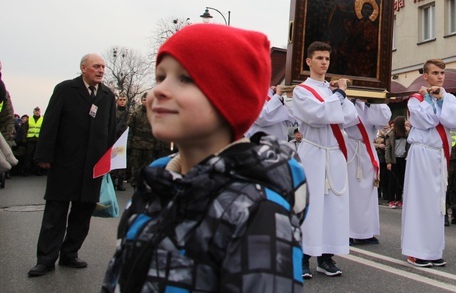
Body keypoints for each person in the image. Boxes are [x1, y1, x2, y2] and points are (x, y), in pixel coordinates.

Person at [102, 24, 307, 292]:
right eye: (160, 77)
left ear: (230, 98)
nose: (160, 91)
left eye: (185, 79)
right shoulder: (157, 181)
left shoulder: (260, 212)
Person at [28, 54, 117, 277]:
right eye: (96, 66)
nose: (101, 70)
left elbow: (111, 129)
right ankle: (46, 259)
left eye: (103, 67)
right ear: (83, 68)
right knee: (55, 213)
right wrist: (44, 155)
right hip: (65, 162)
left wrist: (109, 160)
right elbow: (50, 123)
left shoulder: (107, 95)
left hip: (93, 166)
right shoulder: (66, 89)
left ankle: (70, 254)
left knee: (82, 213)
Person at [292, 41, 358, 278]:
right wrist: (339, 95)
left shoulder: (331, 91)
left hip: (334, 154)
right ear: (309, 61)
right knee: (310, 206)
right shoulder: (301, 91)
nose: (324, 62)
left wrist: (337, 97)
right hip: (313, 153)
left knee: (334, 207)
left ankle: (326, 257)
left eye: (327, 59)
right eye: (319, 58)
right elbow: (317, 115)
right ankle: (302, 257)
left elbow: (350, 117)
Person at [401, 59, 456, 268]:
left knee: (437, 204)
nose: (440, 77)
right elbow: (425, 121)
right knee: (420, 201)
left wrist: (441, 101)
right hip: (422, 153)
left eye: (442, 73)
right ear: (425, 76)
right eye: (435, 73)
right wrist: (430, 100)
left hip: (438, 154)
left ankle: (434, 250)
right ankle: (416, 251)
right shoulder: (415, 99)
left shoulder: (450, 97)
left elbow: (454, 122)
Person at [347, 99, 390, 244]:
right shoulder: (346, 99)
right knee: (351, 191)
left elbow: (383, 119)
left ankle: (365, 231)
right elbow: (344, 119)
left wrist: (371, 103)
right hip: (350, 148)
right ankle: (348, 231)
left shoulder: (369, 100)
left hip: (367, 148)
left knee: (368, 192)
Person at [127, 93, 159, 187]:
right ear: (141, 100)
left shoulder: (154, 114)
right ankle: (134, 185)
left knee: (147, 168)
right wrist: (129, 144)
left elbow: (157, 130)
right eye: (144, 99)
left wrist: (157, 146)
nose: (146, 102)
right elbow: (130, 130)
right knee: (135, 167)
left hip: (149, 145)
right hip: (137, 145)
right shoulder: (135, 114)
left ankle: (145, 186)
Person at [385, 116, 408, 208]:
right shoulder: (391, 134)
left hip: (403, 158)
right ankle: (391, 200)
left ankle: (398, 199)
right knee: (392, 180)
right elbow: (388, 149)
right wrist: (388, 162)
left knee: (401, 180)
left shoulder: (406, 134)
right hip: (394, 160)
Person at [111, 95, 130, 191]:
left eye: (124, 100)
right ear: (117, 101)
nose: (122, 101)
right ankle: (112, 181)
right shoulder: (113, 112)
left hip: (123, 139)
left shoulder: (129, 114)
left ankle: (120, 183)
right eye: (120, 100)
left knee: (122, 161)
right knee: (113, 160)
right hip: (114, 138)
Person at [24, 106, 44, 176]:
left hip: (39, 140)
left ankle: (37, 171)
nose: (37, 112)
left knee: (38, 157)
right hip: (30, 140)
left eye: (38, 111)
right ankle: (26, 171)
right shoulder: (29, 119)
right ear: (33, 112)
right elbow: (25, 129)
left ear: (40, 112)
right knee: (28, 156)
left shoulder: (42, 119)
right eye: (36, 111)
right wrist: (25, 139)